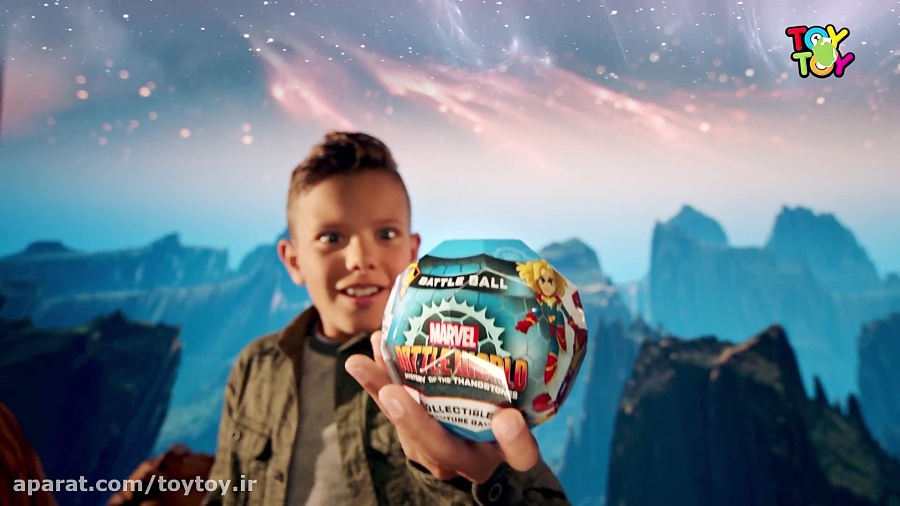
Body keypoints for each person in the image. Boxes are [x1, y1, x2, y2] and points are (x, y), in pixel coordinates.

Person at [201, 131, 570, 506]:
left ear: (413, 254)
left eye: (386, 233)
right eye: (331, 238)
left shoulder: (456, 369)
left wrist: (492, 480)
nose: (361, 258)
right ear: (293, 260)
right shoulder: (256, 366)